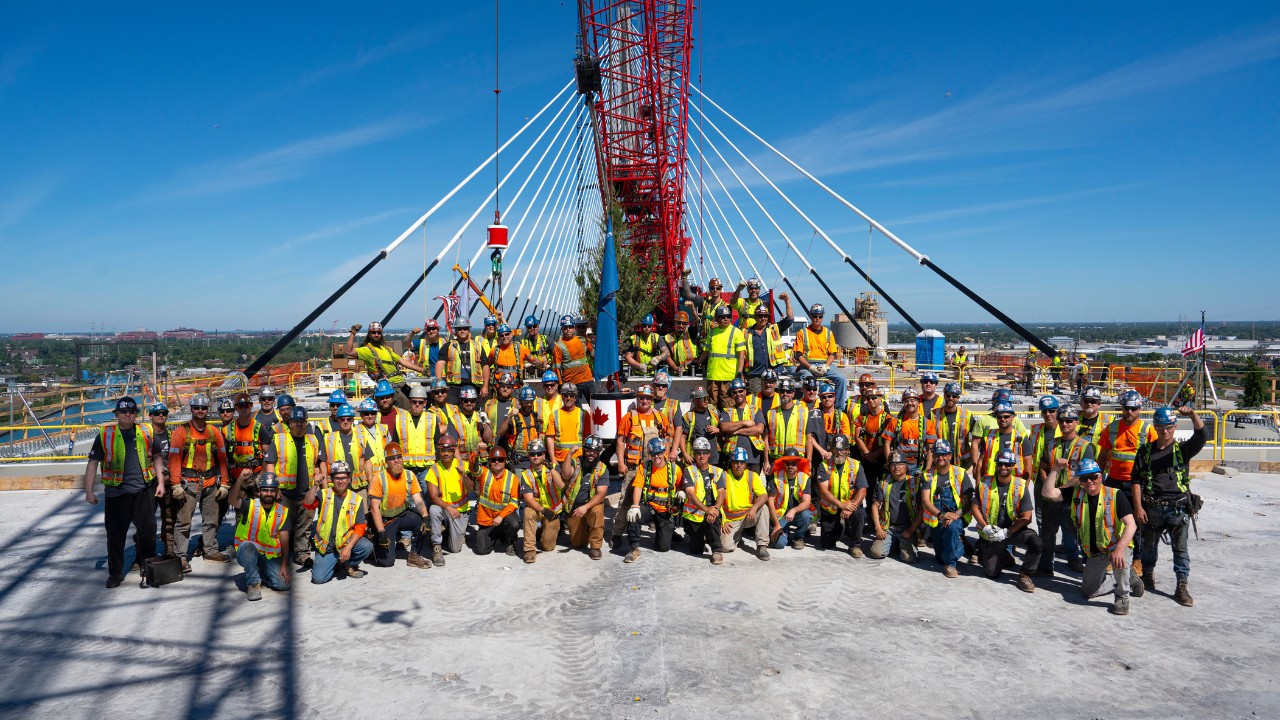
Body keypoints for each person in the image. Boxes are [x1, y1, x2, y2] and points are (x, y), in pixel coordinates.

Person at [84, 396, 165, 588]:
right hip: (116, 493)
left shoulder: (146, 431)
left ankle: (148, 568)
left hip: (143, 490)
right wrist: (89, 491)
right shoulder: (105, 435)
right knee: (115, 536)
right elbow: (93, 463)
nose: (127, 415)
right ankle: (115, 574)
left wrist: (160, 482)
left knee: (148, 532)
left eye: (131, 412)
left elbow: (157, 457)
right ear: (117, 414)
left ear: (135, 414)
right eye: (123, 412)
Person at [1133, 405, 1205, 607]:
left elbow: (1201, 435)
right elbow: (1136, 480)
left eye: (1169, 427)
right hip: (1152, 508)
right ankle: (1147, 576)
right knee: (1148, 546)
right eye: (1161, 427)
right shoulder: (1145, 451)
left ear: (1174, 427)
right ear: (1155, 427)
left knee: (1180, 550)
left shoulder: (1182, 449)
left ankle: (1181, 585)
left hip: (1178, 508)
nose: (1165, 431)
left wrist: (1192, 414)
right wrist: (1138, 507)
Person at [165, 394, 231, 571]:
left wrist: (224, 483)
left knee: (211, 520)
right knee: (184, 522)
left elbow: (222, 459)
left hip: (210, 482)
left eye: (203, 408)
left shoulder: (213, 432)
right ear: (192, 409)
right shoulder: (181, 432)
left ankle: (210, 550)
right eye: (197, 408)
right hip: (189, 483)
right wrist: (175, 484)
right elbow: (174, 459)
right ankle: (180, 557)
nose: (200, 411)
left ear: (207, 410)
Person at [1065, 459, 1138, 616]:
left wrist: (1119, 550)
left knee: (1120, 559)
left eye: (1093, 477)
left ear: (1100, 477)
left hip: (1117, 545)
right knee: (1089, 591)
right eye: (1084, 478)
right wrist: (1055, 470)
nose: (1089, 481)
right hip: (1097, 550)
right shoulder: (1077, 496)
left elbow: (1131, 525)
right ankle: (1127, 578)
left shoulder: (1114, 495)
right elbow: (1047, 493)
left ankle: (1122, 596)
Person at [1098, 389, 1158, 579]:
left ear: (1139, 408)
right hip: (1114, 481)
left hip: (1136, 484)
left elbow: (1155, 458)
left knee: (1138, 523)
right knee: (1112, 522)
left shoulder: (1147, 430)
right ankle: (1114, 555)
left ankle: (1138, 560)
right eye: (1126, 408)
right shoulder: (1113, 428)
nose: (1130, 412)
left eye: (1133, 408)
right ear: (1122, 408)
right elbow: (1103, 455)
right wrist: (1099, 479)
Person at [970, 449, 1041, 593]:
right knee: (992, 573)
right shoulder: (984, 483)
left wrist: (1007, 532)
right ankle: (997, 553)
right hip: (992, 532)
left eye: (1007, 464)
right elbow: (974, 508)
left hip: (1013, 531)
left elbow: (1027, 517)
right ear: (996, 465)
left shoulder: (1020, 485)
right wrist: (985, 527)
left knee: (1036, 543)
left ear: (1013, 465)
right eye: (1000, 464)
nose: (1003, 467)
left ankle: (1025, 575)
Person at [267, 406, 328, 568]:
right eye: (295, 422)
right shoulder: (280, 439)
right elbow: (270, 464)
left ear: (306, 422)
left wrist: (320, 484)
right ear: (290, 423)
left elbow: (316, 464)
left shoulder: (313, 441)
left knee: (304, 526)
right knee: (281, 525)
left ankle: (302, 554)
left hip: (306, 492)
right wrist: (273, 488)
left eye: (301, 422)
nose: (298, 425)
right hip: (284, 493)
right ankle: (278, 553)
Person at [1036, 405, 1091, 575]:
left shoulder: (1085, 446)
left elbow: (1085, 474)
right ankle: (1046, 565)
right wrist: (1049, 486)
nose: (1065, 424)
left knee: (1072, 532)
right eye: (1062, 420)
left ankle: (1073, 559)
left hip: (1071, 498)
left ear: (1076, 422)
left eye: (1069, 420)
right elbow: (1043, 467)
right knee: (1048, 533)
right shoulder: (1051, 444)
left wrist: (1062, 490)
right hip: (1051, 499)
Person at [367, 442, 432, 569]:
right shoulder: (379, 479)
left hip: (402, 515)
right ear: (386, 461)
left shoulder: (409, 475)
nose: (396, 461)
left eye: (398, 457)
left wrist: (426, 517)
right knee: (387, 562)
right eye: (392, 458)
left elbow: (418, 500)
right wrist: (381, 533)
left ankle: (414, 556)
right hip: (386, 521)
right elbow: (374, 508)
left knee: (424, 524)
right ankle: (374, 542)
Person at [228, 470, 290, 601]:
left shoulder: (282, 512)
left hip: (269, 558)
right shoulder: (249, 505)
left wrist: (284, 565)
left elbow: (285, 540)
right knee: (247, 546)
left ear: (277, 492)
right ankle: (253, 583)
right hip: (248, 553)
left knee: (283, 585)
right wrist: (239, 479)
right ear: (258, 491)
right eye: (265, 490)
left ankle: (260, 573)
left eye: (272, 490)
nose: (268, 493)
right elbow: (232, 500)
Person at [621, 438, 683, 562]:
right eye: (653, 454)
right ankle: (634, 549)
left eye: (659, 453)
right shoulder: (644, 467)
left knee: (663, 548)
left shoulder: (675, 469)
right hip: (650, 506)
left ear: (664, 452)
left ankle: (668, 530)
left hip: (666, 510)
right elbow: (638, 486)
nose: (656, 457)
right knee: (633, 517)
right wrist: (635, 506)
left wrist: (681, 491)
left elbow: (680, 485)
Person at [310, 461, 374, 584]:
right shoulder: (323, 494)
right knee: (318, 579)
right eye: (337, 478)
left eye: (344, 477)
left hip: (345, 543)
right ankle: (337, 562)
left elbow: (360, 527)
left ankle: (348, 563)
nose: (341, 481)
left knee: (367, 546)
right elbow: (307, 504)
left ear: (349, 479)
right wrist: (314, 486)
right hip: (326, 546)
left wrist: (348, 548)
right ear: (331, 479)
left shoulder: (356, 499)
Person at [921, 442, 975, 578]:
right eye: (937, 455)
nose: (940, 458)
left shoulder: (960, 473)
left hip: (957, 516)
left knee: (951, 529)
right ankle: (958, 543)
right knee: (939, 559)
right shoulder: (927, 475)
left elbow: (970, 501)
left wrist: (956, 515)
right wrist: (941, 515)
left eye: (944, 455)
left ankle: (951, 564)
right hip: (937, 517)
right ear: (933, 456)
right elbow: (925, 501)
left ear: (950, 455)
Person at [345, 322, 425, 408]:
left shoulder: (387, 349)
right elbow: (349, 351)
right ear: (369, 334)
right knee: (409, 409)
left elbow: (402, 361)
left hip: (401, 383)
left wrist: (421, 370)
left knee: (417, 402)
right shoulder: (367, 350)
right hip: (389, 387)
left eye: (378, 333)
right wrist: (353, 333)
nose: (376, 335)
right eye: (373, 332)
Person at [717, 447, 777, 560]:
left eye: (742, 462)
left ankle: (762, 546)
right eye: (736, 462)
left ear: (745, 464)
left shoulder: (751, 475)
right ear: (731, 463)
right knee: (725, 547)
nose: (739, 465)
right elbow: (718, 501)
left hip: (749, 515)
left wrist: (754, 508)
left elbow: (764, 495)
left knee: (763, 508)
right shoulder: (723, 476)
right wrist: (723, 521)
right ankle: (737, 536)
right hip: (731, 519)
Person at [815, 435, 868, 557]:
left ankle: (855, 544)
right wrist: (841, 505)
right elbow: (823, 492)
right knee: (827, 544)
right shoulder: (823, 466)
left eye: (842, 449)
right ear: (832, 450)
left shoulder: (856, 465)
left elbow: (862, 490)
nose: (839, 452)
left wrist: (851, 506)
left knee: (859, 515)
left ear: (848, 450)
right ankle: (841, 527)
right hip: (831, 508)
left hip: (849, 505)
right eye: (836, 449)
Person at [424, 435, 472, 565]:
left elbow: (471, 489)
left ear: (454, 451)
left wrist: (464, 475)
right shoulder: (434, 469)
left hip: (460, 511)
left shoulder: (463, 465)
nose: (445, 454)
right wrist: (448, 508)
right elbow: (433, 497)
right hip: (445, 509)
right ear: (439, 451)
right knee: (434, 510)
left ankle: (445, 531)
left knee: (455, 549)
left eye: (449, 451)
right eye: (443, 451)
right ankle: (436, 546)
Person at [561, 435, 610, 559]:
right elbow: (566, 475)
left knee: (597, 511)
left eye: (594, 451)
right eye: (588, 450)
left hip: (590, 506)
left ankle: (595, 547)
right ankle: (586, 530)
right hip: (574, 508)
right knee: (578, 544)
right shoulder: (575, 461)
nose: (591, 453)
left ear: (599, 452)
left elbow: (601, 494)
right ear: (583, 449)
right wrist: (569, 454)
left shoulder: (602, 468)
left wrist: (585, 507)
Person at [869, 451, 922, 562]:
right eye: (893, 464)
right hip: (889, 527)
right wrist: (878, 528)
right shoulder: (883, 483)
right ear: (889, 467)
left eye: (900, 464)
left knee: (909, 558)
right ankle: (894, 542)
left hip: (907, 527)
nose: (896, 467)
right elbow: (875, 506)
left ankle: (902, 543)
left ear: (906, 466)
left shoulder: (915, 483)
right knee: (876, 553)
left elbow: (922, 510)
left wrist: (911, 530)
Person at [793, 303, 847, 409]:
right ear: (810, 316)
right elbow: (798, 355)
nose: (817, 319)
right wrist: (810, 367)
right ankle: (809, 408)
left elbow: (832, 354)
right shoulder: (802, 333)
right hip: (808, 365)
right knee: (809, 382)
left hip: (824, 364)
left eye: (820, 316)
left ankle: (839, 410)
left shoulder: (828, 333)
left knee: (841, 379)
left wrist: (826, 366)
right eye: (815, 316)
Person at [681, 437, 725, 564]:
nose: (702, 455)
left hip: (712, 511)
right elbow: (689, 493)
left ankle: (717, 551)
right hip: (695, 515)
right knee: (696, 550)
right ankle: (698, 535)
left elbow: (722, 492)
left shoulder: (717, 471)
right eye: (699, 453)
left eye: (705, 452)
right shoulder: (689, 471)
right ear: (694, 454)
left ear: (709, 454)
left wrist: (715, 509)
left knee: (712, 519)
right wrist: (706, 509)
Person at [519, 441, 564, 563]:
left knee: (547, 547)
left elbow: (561, 485)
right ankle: (529, 551)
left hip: (553, 510)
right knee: (528, 512)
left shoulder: (553, 468)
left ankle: (541, 531)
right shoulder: (525, 474)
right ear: (528, 456)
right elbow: (528, 499)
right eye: (532, 454)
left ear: (544, 455)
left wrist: (551, 469)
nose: (536, 456)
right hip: (539, 509)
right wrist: (544, 511)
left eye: (539, 453)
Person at [473, 448, 523, 555]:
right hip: (487, 520)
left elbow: (514, 502)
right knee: (482, 550)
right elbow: (473, 468)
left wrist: (501, 516)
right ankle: (497, 535)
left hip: (503, 518)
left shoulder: (512, 478)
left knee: (514, 524)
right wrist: (475, 453)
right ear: (489, 461)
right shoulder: (484, 473)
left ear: (505, 461)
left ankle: (508, 540)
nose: (496, 462)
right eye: (493, 459)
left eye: (500, 460)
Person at [324, 403, 376, 506]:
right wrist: (325, 488)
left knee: (361, 518)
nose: (345, 422)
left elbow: (367, 461)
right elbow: (322, 464)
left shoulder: (361, 438)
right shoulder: (329, 439)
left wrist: (371, 484)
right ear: (338, 420)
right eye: (342, 419)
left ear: (353, 420)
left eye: (348, 419)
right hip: (336, 489)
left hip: (359, 488)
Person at [696, 305, 745, 410]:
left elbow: (741, 354)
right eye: (722, 317)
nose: (726, 319)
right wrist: (698, 362)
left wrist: (739, 373)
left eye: (728, 316)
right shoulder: (712, 332)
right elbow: (706, 351)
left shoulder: (736, 332)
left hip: (728, 376)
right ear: (717, 318)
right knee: (711, 405)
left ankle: (728, 426)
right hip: (713, 376)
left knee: (728, 405)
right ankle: (713, 425)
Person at [743, 293, 794, 394]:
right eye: (760, 316)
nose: (763, 318)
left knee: (774, 403)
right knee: (755, 404)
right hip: (755, 375)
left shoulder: (774, 329)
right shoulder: (746, 333)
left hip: (773, 374)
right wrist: (742, 374)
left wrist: (787, 300)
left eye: (765, 316)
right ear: (755, 317)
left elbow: (790, 319)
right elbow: (742, 355)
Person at [972, 401, 1031, 482]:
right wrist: (978, 484)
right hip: (991, 483)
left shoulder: (1021, 438)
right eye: (999, 417)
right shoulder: (989, 436)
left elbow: (1028, 464)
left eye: (1006, 416)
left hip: (1015, 483)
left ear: (1012, 417)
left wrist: (1025, 487)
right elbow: (980, 462)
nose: (1003, 419)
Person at [887, 388, 937, 477]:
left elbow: (930, 448)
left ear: (918, 402)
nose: (910, 403)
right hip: (899, 465)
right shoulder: (895, 422)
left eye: (913, 400)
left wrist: (927, 470)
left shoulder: (927, 423)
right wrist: (890, 464)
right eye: (906, 401)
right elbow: (887, 444)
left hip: (919, 466)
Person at [395, 384, 440, 483]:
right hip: (406, 469)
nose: (417, 404)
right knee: (408, 498)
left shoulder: (432, 418)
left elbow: (437, 444)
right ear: (409, 401)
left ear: (425, 403)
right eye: (414, 401)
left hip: (427, 469)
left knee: (427, 497)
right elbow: (395, 445)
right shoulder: (400, 419)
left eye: (420, 402)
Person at [769, 448, 813, 549]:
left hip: (797, 514)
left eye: (794, 463)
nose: (791, 466)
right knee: (779, 544)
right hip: (781, 515)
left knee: (806, 515)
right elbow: (770, 502)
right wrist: (776, 524)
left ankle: (799, 537)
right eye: (788, 463)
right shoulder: (775, 477)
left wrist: (793, 510)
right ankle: (785, 534)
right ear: (784, 464)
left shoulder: (805, 478)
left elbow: (806, 503)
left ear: (798, 464)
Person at [720, 378, 766, 472]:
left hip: (752, 458)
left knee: (752, 485)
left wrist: (737, 431)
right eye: (735, 392)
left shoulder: (755, 410)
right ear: (732, 395)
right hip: (733, 459)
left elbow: (759, 429)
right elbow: (724, 427)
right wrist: (744, 423)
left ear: (745, 392)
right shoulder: (727, 411)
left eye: (740, 391)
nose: (738, 394)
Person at [438, 316, 484, 403]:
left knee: (472, 411)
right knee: (452, 411)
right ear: (455, 331)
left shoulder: (477, 346)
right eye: (459, 329)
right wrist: (440, 385)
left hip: (474, 385)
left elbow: (485, 366)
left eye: (465, 328)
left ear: (468, 330)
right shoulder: (448, 346)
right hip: (453, 387)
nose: (462, 331)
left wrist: (485, 386)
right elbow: (440, 364)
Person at [497, 386, 545, 470]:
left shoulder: (535, 417)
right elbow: (500, 433)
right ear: (520, 402)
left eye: (531, 402)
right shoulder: (514, 417)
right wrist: (509, 417)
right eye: (526, 402)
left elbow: (539, 436)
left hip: (534, 461)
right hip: (518, 463)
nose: (529, 404)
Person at [766, 379, 810, 467]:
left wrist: (809, 460)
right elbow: (766, 440)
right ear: (778, 393)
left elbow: (809, 439)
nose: (785, 394)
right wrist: (766, 461)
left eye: (788, 391)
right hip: (776, 459)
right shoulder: (771, 413)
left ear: (793, 394)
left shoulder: (804, 412)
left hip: (797, 460)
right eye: (782, 391)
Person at [546, 382, 590, 469]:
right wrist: (553, 459)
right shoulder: (554, 415)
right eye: (565, 395)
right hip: (559, 460)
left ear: (575, 397)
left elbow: (587, 437)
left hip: (578, 459)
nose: (568, 398)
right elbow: (550, 438)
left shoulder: (584, 414)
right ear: (561, 397)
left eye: (571, 395)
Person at [552, 314, 595, 402]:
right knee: (576, 411)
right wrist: (560, 384)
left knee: (595, 409)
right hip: (572, 384)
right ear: (562, 329)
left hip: (588, 380)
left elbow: (594, 354)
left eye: (570, 327)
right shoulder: (558, 346)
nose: (568, 330)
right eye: (565, 328)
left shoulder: (582, 340)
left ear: (574, 328)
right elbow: (556, 368)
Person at [932, 382, 973, 468]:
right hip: (940, 461)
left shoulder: (966, 415)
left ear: (958, 398)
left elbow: (977, 439)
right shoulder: (934, 414)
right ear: (944, 395)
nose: (951, 398)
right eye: (948, 395)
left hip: (961, 462)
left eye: (954, 396)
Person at [486, 324, 535, 393]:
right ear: (499, 337)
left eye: (507, 334)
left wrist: (543, 364)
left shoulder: (521, 348)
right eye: (501, 335)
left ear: (511, 334)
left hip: (516, 388)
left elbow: (534, 361)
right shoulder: (494, 351)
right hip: (499, 389)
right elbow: (486, 366)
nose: (504, 337)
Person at [680, 386, 721, 466]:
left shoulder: (713, 411)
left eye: (706, 398)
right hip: (698, 459)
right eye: (702, 399)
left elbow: (724, 428)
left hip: (714, 457)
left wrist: (717, 430)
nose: (706, 401)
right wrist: (685, 454)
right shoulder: (688, 416)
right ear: (694, 400)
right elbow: (682, 437)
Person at [664, 311, 699, 376]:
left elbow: (696, 321)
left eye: (684, 324)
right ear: (675, 323)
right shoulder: (668, 338)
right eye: (679, 323)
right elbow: (667, 356)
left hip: (692, 370)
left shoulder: (691, 334)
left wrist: (692, 308)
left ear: (687, 324)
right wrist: (675, 368)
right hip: (676, 371)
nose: (681, 326)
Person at [519, 315, 552, 379]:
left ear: (538, 326)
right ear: (526, 328)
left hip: (547, 373)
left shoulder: (546, 340)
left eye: (534, 326)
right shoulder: (522, 343)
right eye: (529, 327)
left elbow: (557, 355)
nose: (532, 329)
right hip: (529, 375)